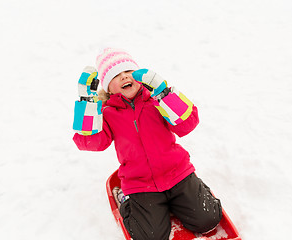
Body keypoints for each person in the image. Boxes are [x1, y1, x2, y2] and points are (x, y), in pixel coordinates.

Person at [73, 48, 222, 240]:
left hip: (177, 173)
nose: (125, 77)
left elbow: (188, 123)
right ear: (108, 88)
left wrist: (164, 93)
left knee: (208, 219)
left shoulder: (156, 100)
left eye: (128, 72)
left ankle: (195, 191)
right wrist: (87, 103)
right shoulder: (105, 112)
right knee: (150, 237)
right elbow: (90, 142)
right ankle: (127, 202)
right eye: (116, 75)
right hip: (140, 184)